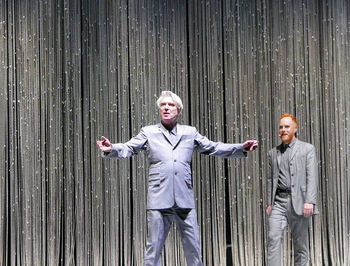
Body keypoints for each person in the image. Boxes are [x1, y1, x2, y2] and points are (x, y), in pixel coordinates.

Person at [97, 91, 258, 266]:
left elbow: (213, 147)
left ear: (178, 109)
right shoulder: (149, 132)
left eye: (170, 105)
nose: (166, 108)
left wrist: (240, 148)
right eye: (163, 105)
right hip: (159, 198)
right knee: (153, 251)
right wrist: (110, 148)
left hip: (184, 199)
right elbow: (129, 147)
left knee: (193, 249)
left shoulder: (189, 132)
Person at [266, 113, 318, 266]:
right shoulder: (272, 153)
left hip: (300, 202)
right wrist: (270, 202)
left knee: (300, 243)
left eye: (287, 127)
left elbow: (312, 177)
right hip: (279, 202)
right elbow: (270, 179)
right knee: (273, 238)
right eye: (281, 127)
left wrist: (310, 201)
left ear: (295, 129)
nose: (283, 130)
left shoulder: (307, 149)